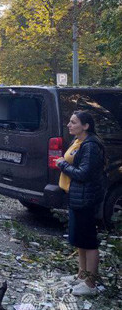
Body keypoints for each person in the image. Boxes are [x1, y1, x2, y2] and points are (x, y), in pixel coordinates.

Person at [56, 111, 105, 297]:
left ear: (86, 126)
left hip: (86, 198)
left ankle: (90, 284)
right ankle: (81, 275)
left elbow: (84, 173)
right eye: (69, 121)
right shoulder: (79, 142)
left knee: (89, 240)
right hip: (77, 196)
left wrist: (62, 165)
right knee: (79, 239)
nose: (69, 125)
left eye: (73, 122)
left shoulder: (91, 145)